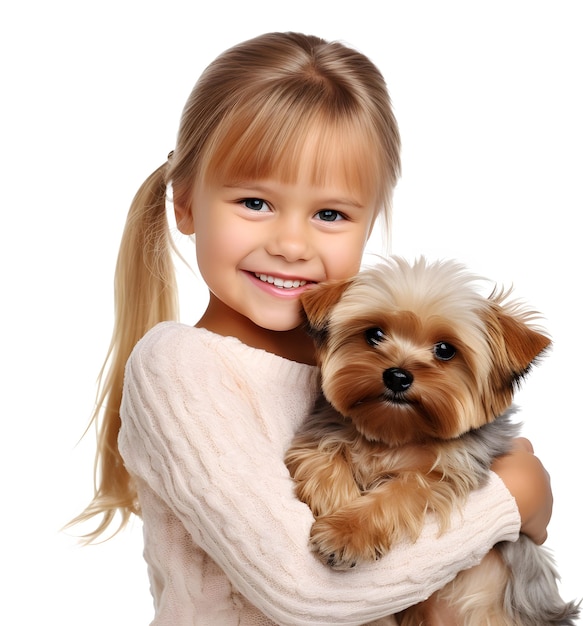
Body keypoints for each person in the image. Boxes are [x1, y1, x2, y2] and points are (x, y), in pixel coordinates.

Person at [70, 32, 553, 625]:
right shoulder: (182, 368)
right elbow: (304, 593)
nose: (291, 245)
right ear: (186, 203)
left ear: (368, 222)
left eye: (329, 214)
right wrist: (511, 501)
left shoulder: (351, 362)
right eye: (254, 202)